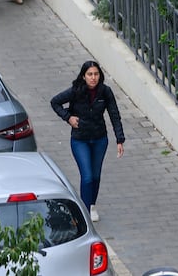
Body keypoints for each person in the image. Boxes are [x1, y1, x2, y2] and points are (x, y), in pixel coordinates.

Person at [50, 61, 125, 223]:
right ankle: (84, 213)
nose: (93, 78)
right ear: (83, 76)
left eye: (96, 74)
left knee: (96, 176)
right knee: (87, 176)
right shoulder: (76, 91)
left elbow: (114, 114)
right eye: (90, 74)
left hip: (99, 139)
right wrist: (68, 117)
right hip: (80, 140)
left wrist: (120, 139)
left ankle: (91, 206)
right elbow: (54, 102)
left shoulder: (105, 92)